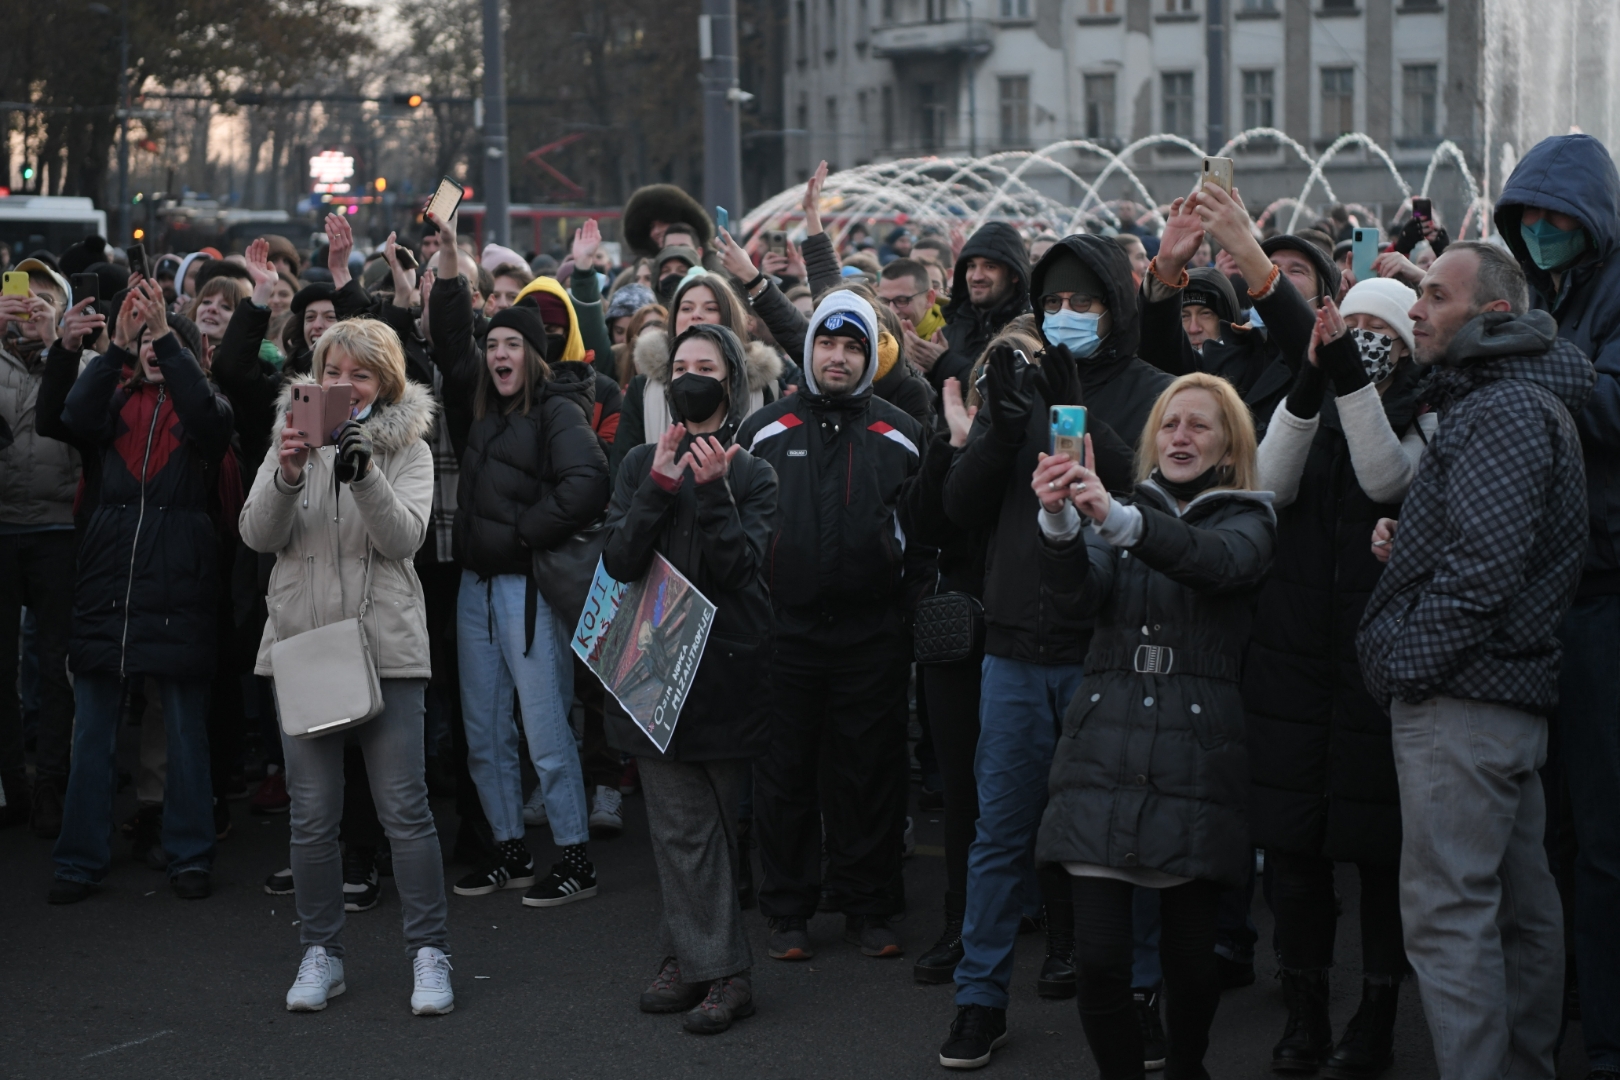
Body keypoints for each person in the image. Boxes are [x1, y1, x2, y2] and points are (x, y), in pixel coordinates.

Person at [973, 372, 1272, 1077]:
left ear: (1230, 445)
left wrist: (1117, 519)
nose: (1180, 437)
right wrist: (1057, 523)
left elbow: (1215, 563)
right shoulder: (1122, 510)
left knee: (1193, 967)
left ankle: (1188, 1064)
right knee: (1102, 963)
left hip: (1196, 754)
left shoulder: (1250, 515)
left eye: (1199, 425)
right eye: (1169, 425)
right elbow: (1079, 598)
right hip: (1104, 744)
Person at [1356, 242, 1592, 1080]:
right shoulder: (1513, 403)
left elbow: (1482, 577)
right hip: (1501, 702)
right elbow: (1486, 552)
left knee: (1451, 920)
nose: (1414, 308)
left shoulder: (1501, 411)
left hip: (1461, 702)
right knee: (1522, 913)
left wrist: (1399, 662)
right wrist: (1410, 544)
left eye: (1433, 295)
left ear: (1491, 315)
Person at [935, 240, 1140, 1062]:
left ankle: (1132, 988)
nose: (1066, 317)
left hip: (1106, 651)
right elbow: (958, 505)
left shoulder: (1149, 389)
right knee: (999, 835)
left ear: (1114, 308)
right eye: (1054, 302)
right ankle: (980, 997)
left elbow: (1151, 491)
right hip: (1016, 651)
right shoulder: (1016, 394)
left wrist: (1085, 415)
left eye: (1083, 302)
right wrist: (1000, 430)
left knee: (1114, 837)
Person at [1246, 278, 1435, 1077]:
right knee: (1293, 848)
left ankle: (1377, 1015)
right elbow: (1268, 482)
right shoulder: (1308, 396)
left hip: (1373, 660)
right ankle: (1304, 1009)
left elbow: (1384, 477)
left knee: (1379, 848)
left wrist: (1351, 383)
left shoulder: (1427, 413)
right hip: (1292, 658)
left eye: (1376, 327)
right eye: (1348, 323)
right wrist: (1311, 379)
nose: (1359, 335)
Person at [239, 316, 454, 1016]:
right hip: (305, 644)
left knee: (405, 811)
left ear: (384, 383)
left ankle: (429, 953)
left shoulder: (407, 449)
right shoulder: (291, 439)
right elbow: (256, 534)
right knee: (311, 816)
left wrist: (362, 472)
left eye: (360, 374)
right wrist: (288, 471)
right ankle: (320, 953)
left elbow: (404, 539)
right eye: (333, 371)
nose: (344, 385)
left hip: (387, 645)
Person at [737, 291, 925, 962]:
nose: (838, 356)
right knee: (784, 775)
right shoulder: (762, 431)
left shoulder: (902, 433)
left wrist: (902, 616)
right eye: (827, 342)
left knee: (868, 775)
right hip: (783, 635)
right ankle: (788, 911)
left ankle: (869, 906)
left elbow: (924, 537)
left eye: (853, 346)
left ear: (872, 354)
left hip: (871, 635)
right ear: (808, 347)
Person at [604, 323, 777, 1035]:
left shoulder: (754, 473)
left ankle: (694, 956)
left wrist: (712, 494)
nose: (691, 377)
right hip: (651, 672)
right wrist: (659, 484)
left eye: (706, 366)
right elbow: (618, 559)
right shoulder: (642, 460)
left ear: (730, 379)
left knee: (715, 832)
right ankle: (719, 971)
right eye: (680, 366)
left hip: (725, 676)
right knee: (678, 831)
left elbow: (743, 572)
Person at [1494, 134, 1620, 1076]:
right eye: (1527, 218)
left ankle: (1609, 1033)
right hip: (1556, 586)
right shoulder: (1562, 298)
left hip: (1606, 592)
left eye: (1554, 219)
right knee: (1560, 822)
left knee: (1605, 827)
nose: (1539, 232)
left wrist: (1522, 358)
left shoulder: (1598, 304)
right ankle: (1579, 991)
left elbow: (1610, 402)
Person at [50, 281, 235, 904]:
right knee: (92, 732)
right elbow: (71, 417)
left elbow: (211, 425)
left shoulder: (206, 404)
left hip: (178, 583)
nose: (157, 349)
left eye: (170, 340)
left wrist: (166, 337)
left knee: (185, 731)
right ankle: (78, 861)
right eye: (150, 342)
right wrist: (118, 347)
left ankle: (190, 853)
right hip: (107, 581)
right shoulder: (113, 400)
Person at [447, 302, 611, 907]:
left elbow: (590, 482)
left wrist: (523, 533)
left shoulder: (557, 408)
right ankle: (509, 851)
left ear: (534, 353)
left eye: (512, 345)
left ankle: (575, 857)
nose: (498, 356)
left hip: (527, 592)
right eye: (492, 346)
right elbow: (447, 336)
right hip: (477, 589)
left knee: (544, 729)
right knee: (485, 733)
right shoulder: (485, 411)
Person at [0, 260, 79, 837]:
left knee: (55, 667)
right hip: (2, 527)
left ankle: (53, 783)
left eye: (46, 299)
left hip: (59, 527)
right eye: (23, 295)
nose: (31, 306)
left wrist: (57, 345)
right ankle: (12, 786)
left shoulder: (82, 361)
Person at [938, 223, 1032, 392]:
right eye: (971, 266)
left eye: (990, 266)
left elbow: (1006, 392)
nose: (977, 276)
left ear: (1014, 275)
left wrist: (944, 362)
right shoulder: (951, 327)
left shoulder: (1029, 330)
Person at [878, 258, 949, 382]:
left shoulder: (953, 335)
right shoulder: (873, 336)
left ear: (929, 299)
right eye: (884, 301)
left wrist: (940, 365)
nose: (892, 310)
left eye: (902, 300)